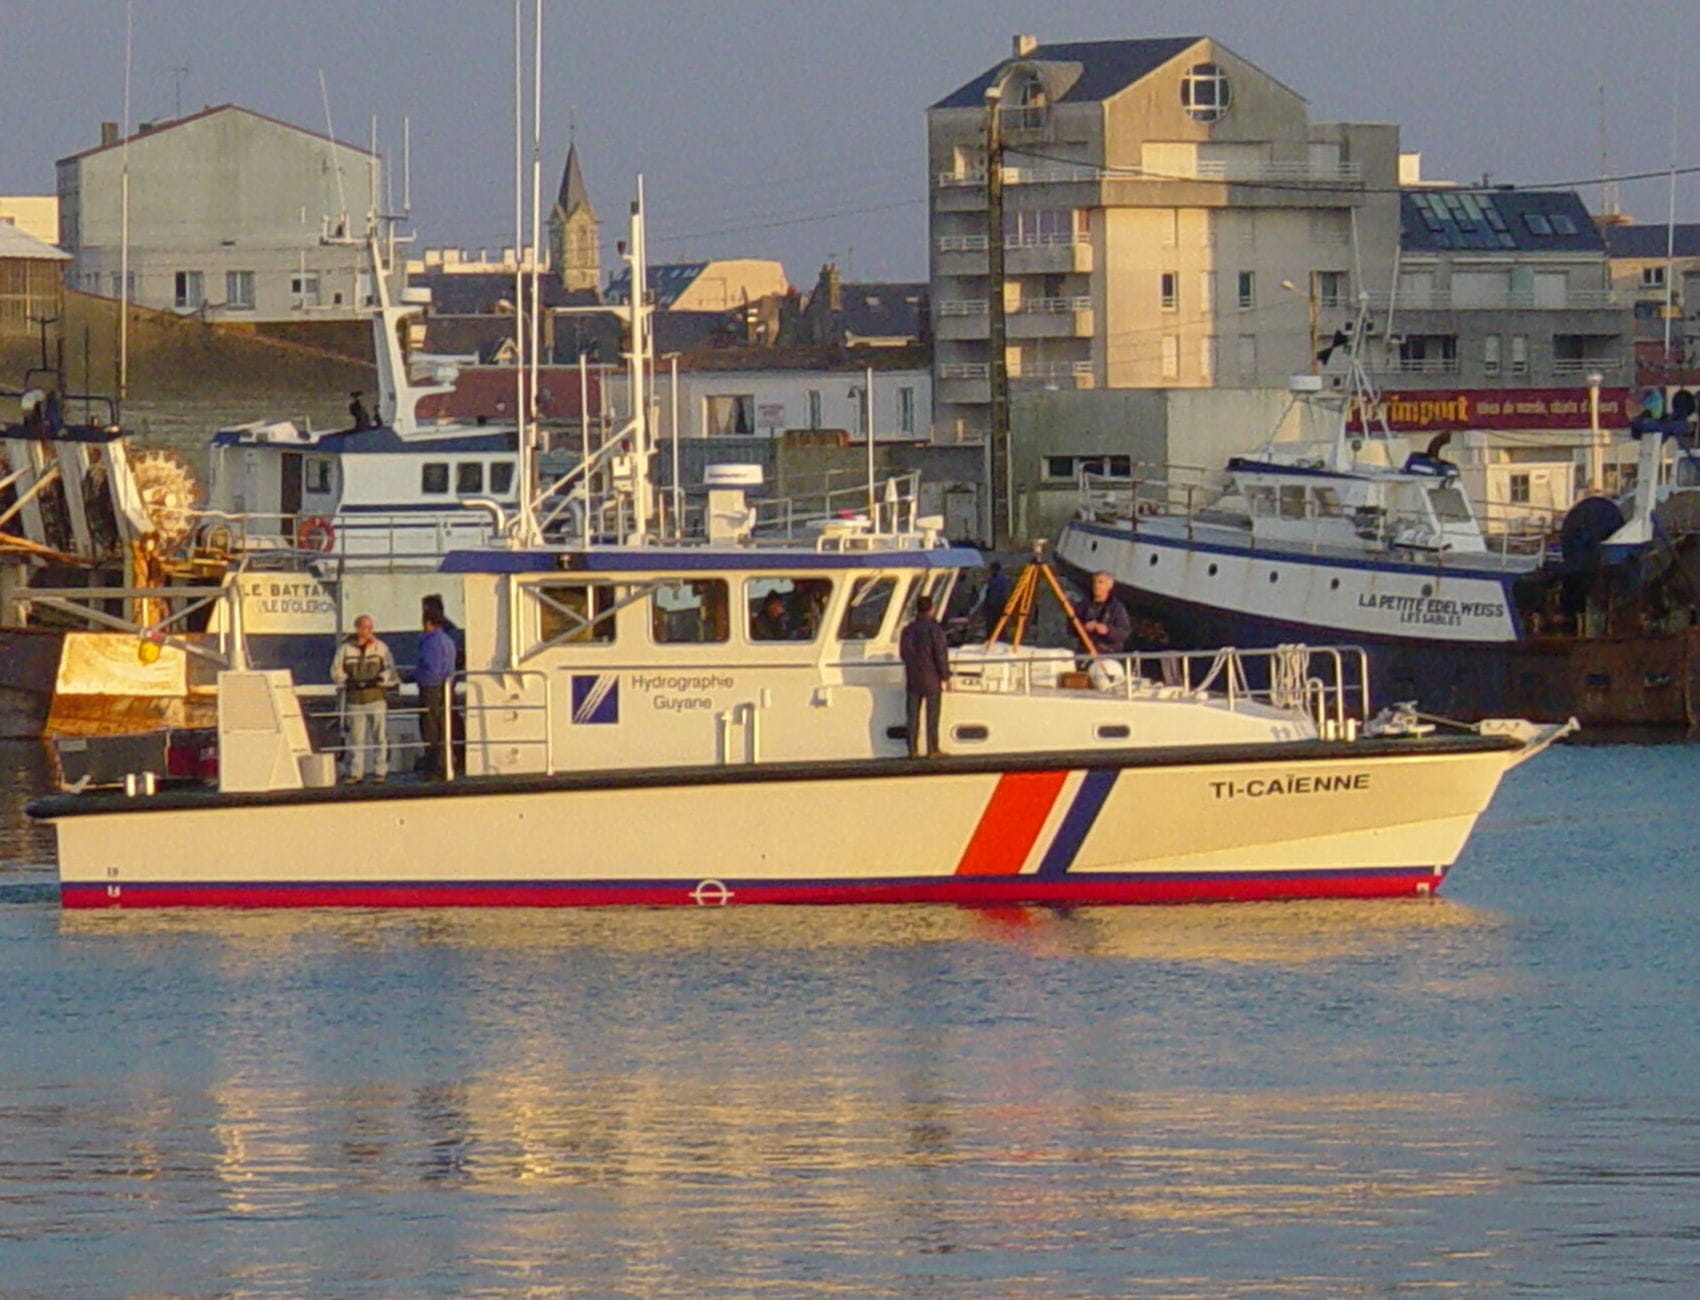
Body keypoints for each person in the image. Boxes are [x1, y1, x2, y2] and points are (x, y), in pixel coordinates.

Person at [330, 614, 397, 783]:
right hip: (354, 700)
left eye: (370, 628)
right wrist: (347, 680)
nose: (367, 631)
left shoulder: (381, 648)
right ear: (357, 628)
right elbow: (335, 670)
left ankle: (380, 772)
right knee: (355, 739)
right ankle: (355, 773)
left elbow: (390, 669)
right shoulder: (345, 649)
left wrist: (381, 679)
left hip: (376, 698)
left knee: (380, 737)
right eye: (364, 627)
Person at [899, 593, 952, 759]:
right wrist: (946, 676)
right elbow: (940, 654)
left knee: (912, 716)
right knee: (932, 715)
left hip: (913, 677)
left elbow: (904, 653)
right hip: (932, 678)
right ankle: (932, 748)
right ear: (931, 608)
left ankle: (912, 749)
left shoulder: (908, 630)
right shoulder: (934, 629)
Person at [415, 609, 458, 778]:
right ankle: (445, 762)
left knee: (430, 727)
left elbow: (432, 668)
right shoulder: (447, 640)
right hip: (446, 688)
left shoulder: (431, 642)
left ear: (427, 623)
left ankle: (434, 767)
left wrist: (415, 676)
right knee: (444, 726)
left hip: (432, 689)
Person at [1074, 571, 1132, 655]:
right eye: (1095, 582)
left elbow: (1125, 632)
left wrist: (1108, 630)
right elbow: (1071, 627)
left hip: (1108, 653)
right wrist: (1084, 626)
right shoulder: (1083, 605)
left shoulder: (1117, 608)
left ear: (1109, 586)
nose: (1096, 586)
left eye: (1100, 582)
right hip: (1085, 652)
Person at [978, 560, 1012, 629]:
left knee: (993, 624)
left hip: (995, 605)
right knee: (993, 624)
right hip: (994, 605)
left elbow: (996, 593)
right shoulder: (994, 578)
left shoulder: (998, 579)